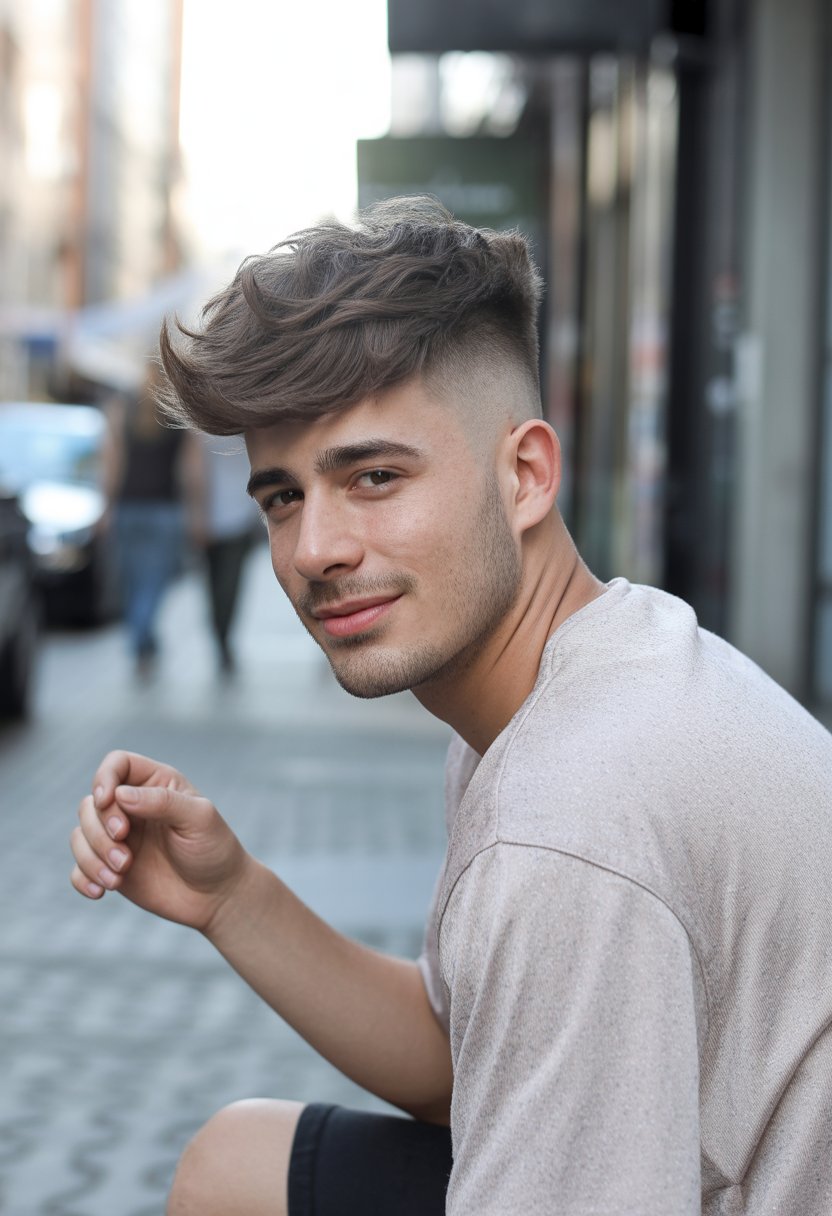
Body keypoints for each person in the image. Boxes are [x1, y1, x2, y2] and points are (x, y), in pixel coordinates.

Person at [69, 198, 832, 1216]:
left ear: (524, 474)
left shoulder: (569, 818)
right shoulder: (598, 659)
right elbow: (459, 1057)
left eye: (374, 476)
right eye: (283, 495)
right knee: (240, 1162)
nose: (313, 550)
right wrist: (232, 896)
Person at [104, 360, 202, 676]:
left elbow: (113, 464)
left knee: (133, 581)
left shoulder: (123, 409)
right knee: (154, 582)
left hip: (129, 508)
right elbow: (190, 472)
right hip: (165, 510)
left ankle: (141, 637)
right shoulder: (177, 413)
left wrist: (106, 506)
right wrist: (196, 511)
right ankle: (142, 635)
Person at [191, 433, 261, 673]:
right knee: (228, 585)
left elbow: (193, 471)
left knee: (215, 584)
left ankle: (220, 637)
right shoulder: (241, 421)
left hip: (221, 517)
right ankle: (222, 637)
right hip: (235, 515)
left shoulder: (203, 424)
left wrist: (198, 514)